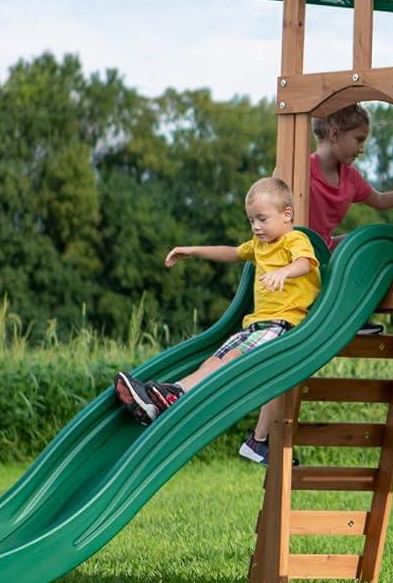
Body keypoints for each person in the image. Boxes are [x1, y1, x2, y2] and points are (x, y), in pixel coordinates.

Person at [114, 177, 320, 465]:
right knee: (212, 362)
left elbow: (305, 263)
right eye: (251, 220)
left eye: (262, 218)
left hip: (283, 327)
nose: (256, 227)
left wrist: (284, 272)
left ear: (287, 215)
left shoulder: (294, 239)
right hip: (256, 325)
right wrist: (193, 251)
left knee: (232, 359)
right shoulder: (259, 246)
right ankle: (171, 397)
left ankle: (171, 395)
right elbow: (233, 252)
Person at [308, 104, 393, 249]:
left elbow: (380, 200)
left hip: (322, 248)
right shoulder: (303, 169)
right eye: (359, 139)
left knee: (372, 243)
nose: (362, 149)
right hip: (295, 249)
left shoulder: (350, 177)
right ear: (335, 134)